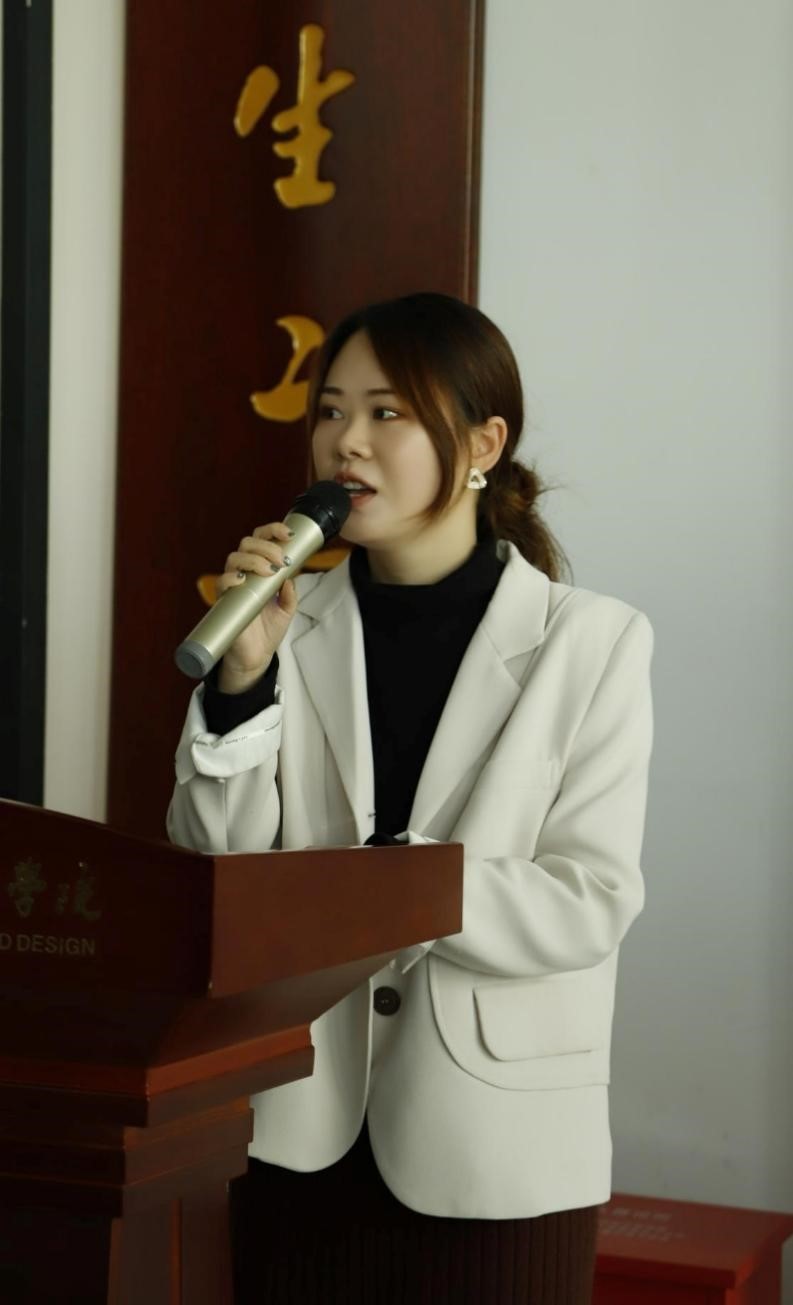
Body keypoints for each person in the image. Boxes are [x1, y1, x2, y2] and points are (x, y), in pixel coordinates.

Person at [168, 292, 653, 1304]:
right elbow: (216, 865)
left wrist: (397, 886)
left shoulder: (593, 642)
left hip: (497, 1154)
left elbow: (589, 900)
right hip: (290, 1137)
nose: (346, 441)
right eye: (332, 410)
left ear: (482, 443)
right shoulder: (285, 622)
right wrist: (242, 684)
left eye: (387, 412)